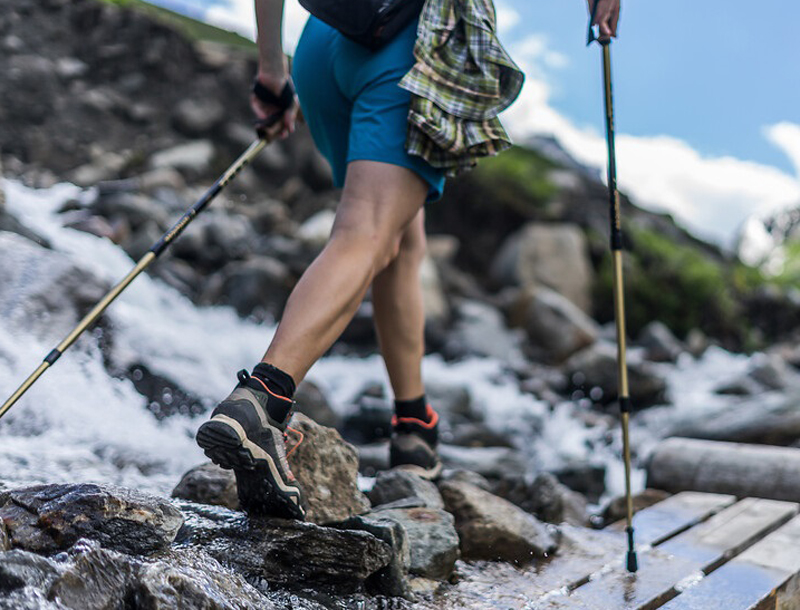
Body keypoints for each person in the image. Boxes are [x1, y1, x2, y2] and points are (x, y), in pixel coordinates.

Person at [196, 0, 620, 520]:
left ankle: (413, 424)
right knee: (367, 232)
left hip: (321, 44)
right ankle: (263, 400)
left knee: (399, 234)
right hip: (407, 46)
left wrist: (271, 73)